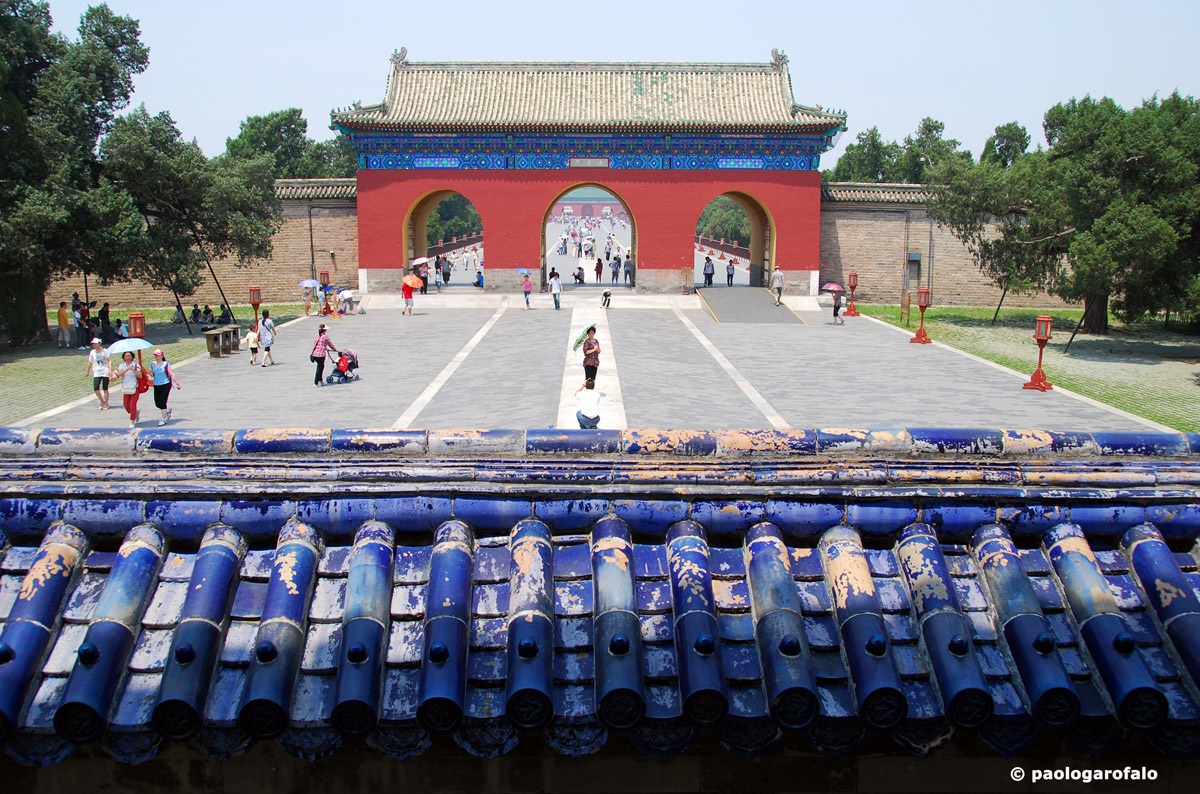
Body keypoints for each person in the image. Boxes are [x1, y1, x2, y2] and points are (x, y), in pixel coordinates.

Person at [149, 349, 181, 425]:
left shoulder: (166, 364)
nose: (156, 356)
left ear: (162, 356)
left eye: (157, 355)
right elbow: (152, 373)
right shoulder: (152, 364)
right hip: (156, 384)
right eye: (155, 355)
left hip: (165, 384)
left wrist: (177, 383)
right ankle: (167, 410)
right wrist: (151, 373)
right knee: (157, 403)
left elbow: (171, 374)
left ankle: (164, 418)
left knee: (163, 402)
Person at [114, 351, 142, 427]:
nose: (127, 357)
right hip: (126, 387)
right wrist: (128, 369)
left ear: (132, 357)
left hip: (134, 387)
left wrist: (134, 370)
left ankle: (132, 420)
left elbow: (140, 376)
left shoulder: (136, 365)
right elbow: (119, 374)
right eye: (126, 356)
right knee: (126, 405)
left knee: (132, 405)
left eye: (129, 356)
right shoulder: (121, 365)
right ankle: (135, 412)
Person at [310, 323, 338, 387]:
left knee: (321, 367)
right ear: (324, 330)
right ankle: (316, 383)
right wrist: (335, 350)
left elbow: (317, 344)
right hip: (321, 355)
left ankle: (321, 381)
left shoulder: (317, 335)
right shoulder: (325, 337)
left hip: (315, 354)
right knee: (319, 368)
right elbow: (330, 344)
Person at [85, 337, 110, 410]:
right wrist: (87, 371)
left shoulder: (104, 351)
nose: (94, 345)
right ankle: (102, 401)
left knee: (105, 388)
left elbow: (109, 360)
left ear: (99, 343)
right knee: (96, 388)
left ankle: (106, 403)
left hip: (105, 370)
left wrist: (109, 369)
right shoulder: (92, 352)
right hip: (97, 371)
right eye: (93, 344)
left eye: (96, 343)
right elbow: (90, 362)